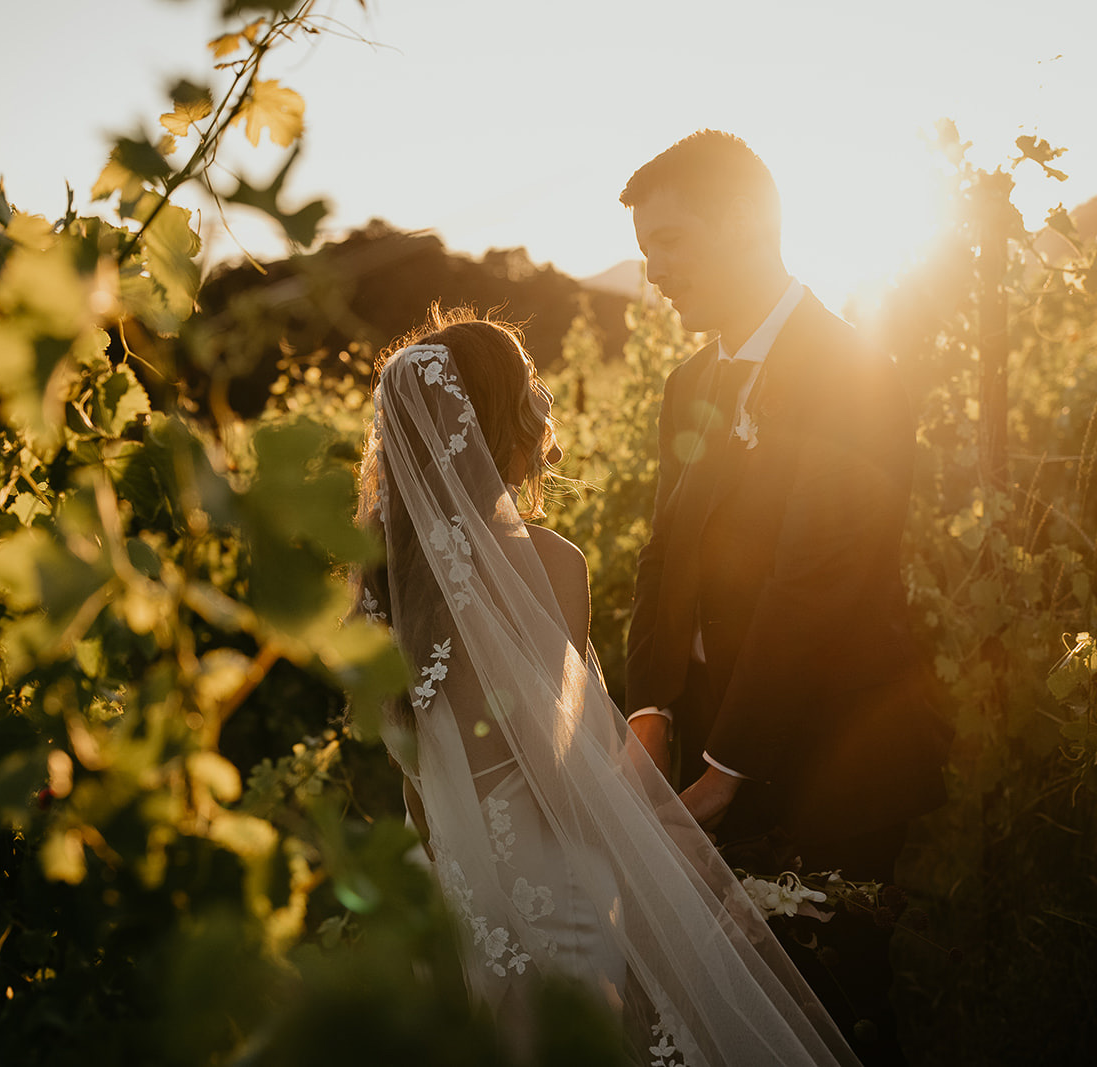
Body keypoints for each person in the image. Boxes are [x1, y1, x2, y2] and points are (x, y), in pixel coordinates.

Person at [355, 306, 861, 1066]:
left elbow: (414, 778)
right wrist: (672, 869)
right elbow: (567, 760)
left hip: (459, 885)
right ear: (493, 419)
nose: (545, 403)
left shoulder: (384, 587)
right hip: (558, 884)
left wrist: (450, 872)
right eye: (530, 386)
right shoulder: (551, 564)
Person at [619, 131, 952, 1062]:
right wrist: (650, 711)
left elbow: (819, 579)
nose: (655, 275)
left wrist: (727, 767)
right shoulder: (688, 384)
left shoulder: (853, 370)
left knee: (830, 1009)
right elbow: (662, 559)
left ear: (744, 226)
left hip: (830, 756)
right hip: (708, 756)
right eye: (644, 253)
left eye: (670, 245)